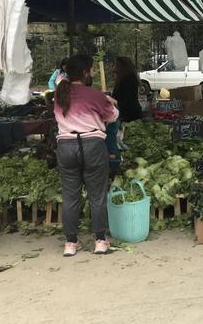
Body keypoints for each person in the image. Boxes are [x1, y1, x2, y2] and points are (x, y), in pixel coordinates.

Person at [54, 54, 119, 257]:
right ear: (84, 72)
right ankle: (100, 240)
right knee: (97, 196)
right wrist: (109, 101)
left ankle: (70, 244)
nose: (92, 73)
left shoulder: (59, 94)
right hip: (92, 146)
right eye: (91, 70)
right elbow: (113, 115)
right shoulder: (94, 95)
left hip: (65, 147)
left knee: (70, 197)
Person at [105, 57, 142, 166]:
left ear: (123, 67)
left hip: (129, 114)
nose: (114, 68)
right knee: (125, 139)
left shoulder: (128, 80)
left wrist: (112, 100)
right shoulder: (125, 79)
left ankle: (121, 160)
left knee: (126, 139)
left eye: (117, 65)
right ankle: (124, 159)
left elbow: (126, 101)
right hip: (127, 113)